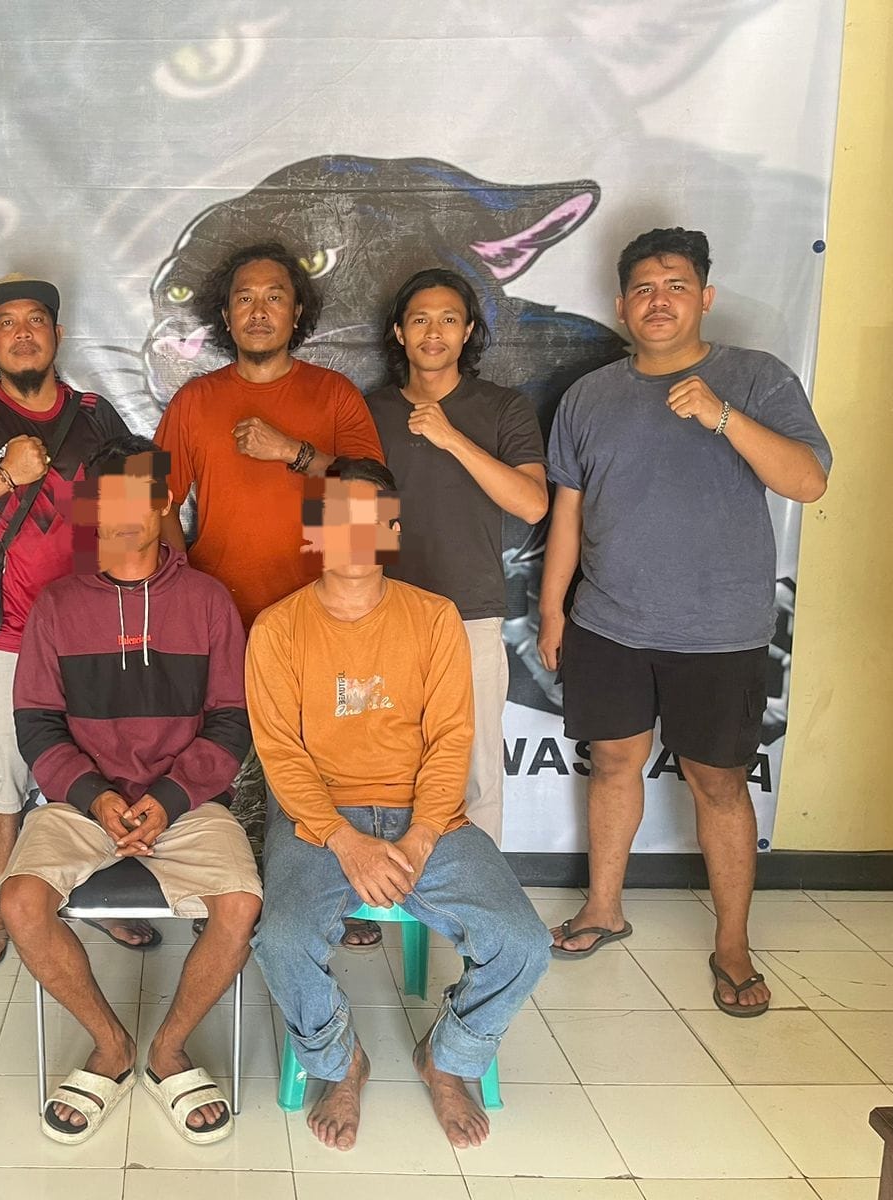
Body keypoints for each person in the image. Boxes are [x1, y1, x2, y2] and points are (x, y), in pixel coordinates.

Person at [537, 227, 831, 1016]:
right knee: (613, 763)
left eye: (674, 287)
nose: (658, 301)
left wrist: (722, 415)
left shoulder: (754, 377)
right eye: (643, 288)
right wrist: (553, 610)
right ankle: (604, 908)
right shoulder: (589, 397)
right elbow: (567, 511)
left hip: (720, 630)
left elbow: (808, 481)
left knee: (719, 783)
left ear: (705, 297)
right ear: (621, 305)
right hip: (608, 622)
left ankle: (732, 945)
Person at [248, 459, 549, 1152]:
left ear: (391, 528)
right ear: (314, 530)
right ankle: (339, 1062)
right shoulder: (278, 627)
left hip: (426, 816)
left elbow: (450, 741)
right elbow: (281, 754)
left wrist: (419, 837)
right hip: (320, 822)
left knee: (525, 943)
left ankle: (448, 1057)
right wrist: (344, 839)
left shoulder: (434, 618)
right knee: (281, 941)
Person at [0, 434, 259, 1145]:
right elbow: (37, 723)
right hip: (84, 803)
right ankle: (111, 1046)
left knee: (239, 906)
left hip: (187, 802)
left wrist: (168, 799)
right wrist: (95, 797)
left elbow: (232, 721)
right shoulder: (56, 605)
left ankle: (168, 1049)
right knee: (20, 903)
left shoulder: (208, 600)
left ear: (163, 502)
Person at [0, 277, 153, 968]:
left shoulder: (95, 416)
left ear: (58, 334)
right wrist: (2, 475)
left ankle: (95, 897)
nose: (23, 333)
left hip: (95, 635)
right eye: (7, 323)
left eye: (36, 320)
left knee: (97, 772)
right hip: (7, 638)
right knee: (0, 778)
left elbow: (141, 500)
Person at [153, 241, 386, 944]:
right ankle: (237, 901)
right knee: (232, 765)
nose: (259, 310)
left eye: (274, 296)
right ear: (225, 315)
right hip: (224, 621)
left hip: (323, 620)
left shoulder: (333, 395)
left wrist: (294, 453)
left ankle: (330, 900)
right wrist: (181, 585)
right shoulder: (197, 400)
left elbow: (375, 498)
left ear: (297, 311)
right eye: (244, 298)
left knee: (326, 762)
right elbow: (154, 500)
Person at [364, 268, 549, 844]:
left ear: (468, 331)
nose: (434, 331)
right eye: (420, 319)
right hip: (381, 614)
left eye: (448, 319)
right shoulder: (370, 410)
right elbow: (341, 503)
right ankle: (383, 883)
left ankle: (476, 893)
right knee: (380, 762)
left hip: (468, 611)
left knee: (474, 769)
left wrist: (451, 438)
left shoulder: (502, 407)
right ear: (399, 332)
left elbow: (533, 503)